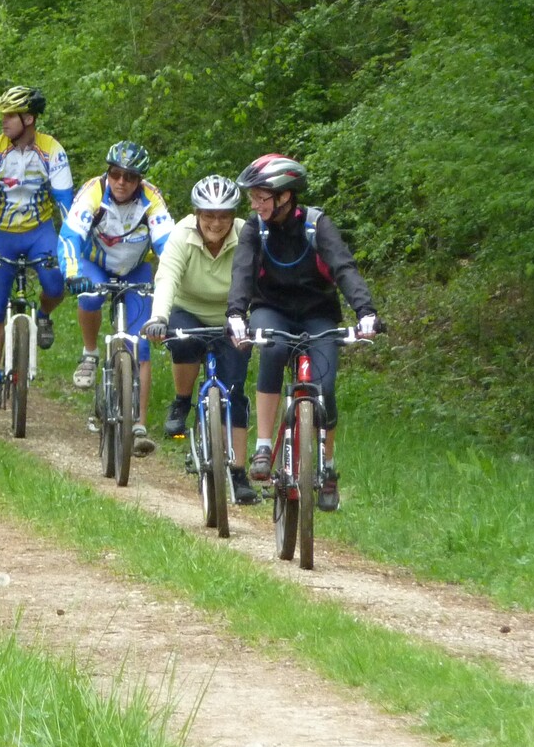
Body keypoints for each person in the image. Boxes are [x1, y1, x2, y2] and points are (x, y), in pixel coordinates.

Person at [227, 154, 378, 511]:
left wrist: (366, 311)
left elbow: (343, 267)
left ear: (286, 196)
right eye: (253, 198)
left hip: (317, 314)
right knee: (274, 348)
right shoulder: (254, 228)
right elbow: (243, 272)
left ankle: (326, 468)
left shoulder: (316, 225)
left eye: (262, 197)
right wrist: (236, 312)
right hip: (271, 309)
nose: (255, 204)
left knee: (324, 386)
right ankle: (264, 446)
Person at [142, 175, 259, 503]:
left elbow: (258, 279)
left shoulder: (246, 235)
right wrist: (158, 318)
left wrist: (258, 318)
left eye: (224, 215)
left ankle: (237, 473)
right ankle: (182, 401)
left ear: (233, 215)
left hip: (231, 317)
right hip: (188, 309)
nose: (216, 223)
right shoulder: (181, 235)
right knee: (182, 342)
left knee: (235, 391)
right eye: (209, 215)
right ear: (196, 213)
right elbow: (167, 278)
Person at [59, 141, 174, 456]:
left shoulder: (151, 199)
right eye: (115, 174)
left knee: (143, 343)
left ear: (139, 180)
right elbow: (70, 236)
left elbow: (168, 245)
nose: (121, 182)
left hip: (136, 269)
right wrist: (72, 274)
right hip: (95, 264)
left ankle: (139, 425)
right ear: (107, 173)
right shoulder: (93, 193)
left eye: (129, 176)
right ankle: (91, 352)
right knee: (91, 296)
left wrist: (171, 283)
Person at [0, 85, 73, 410]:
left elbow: (65, 202)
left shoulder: (51, 150)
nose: (3, 121)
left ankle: (42, 316)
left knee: (57, 283)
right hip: (0, 233)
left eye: (9, 115)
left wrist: (71, 243)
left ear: (28, 118)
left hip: (39, 231)